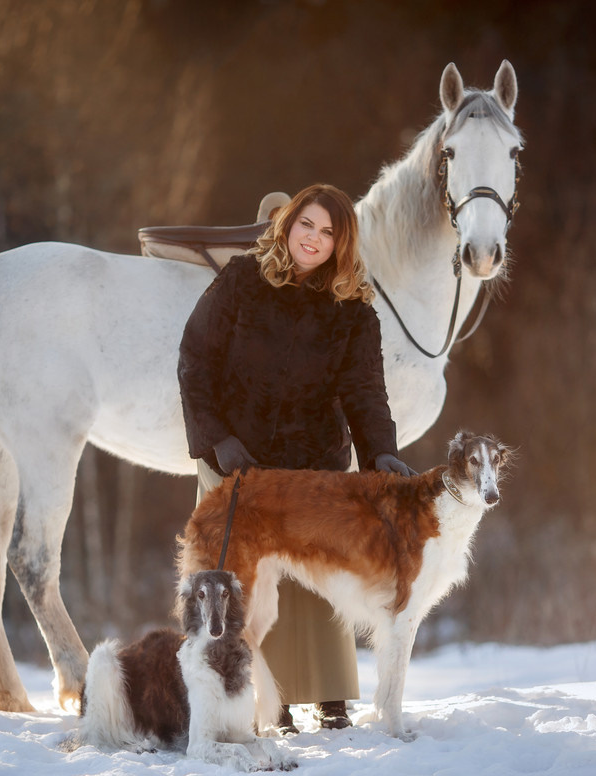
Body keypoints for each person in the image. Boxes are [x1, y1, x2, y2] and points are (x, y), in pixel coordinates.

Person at [177, 183, 414, 734]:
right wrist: (216, 437)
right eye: (307, 224)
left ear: (342, 244)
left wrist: (381, 452)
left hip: (313, 467)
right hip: (238, 458)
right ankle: (260, 702)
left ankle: (330, 697)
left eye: (328, 232)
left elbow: (365, 392)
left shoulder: (353, 310)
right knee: (243, 581)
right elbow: (195, 359)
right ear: (287, 225)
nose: (314, 238)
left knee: (319, 577)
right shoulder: (241, 280)